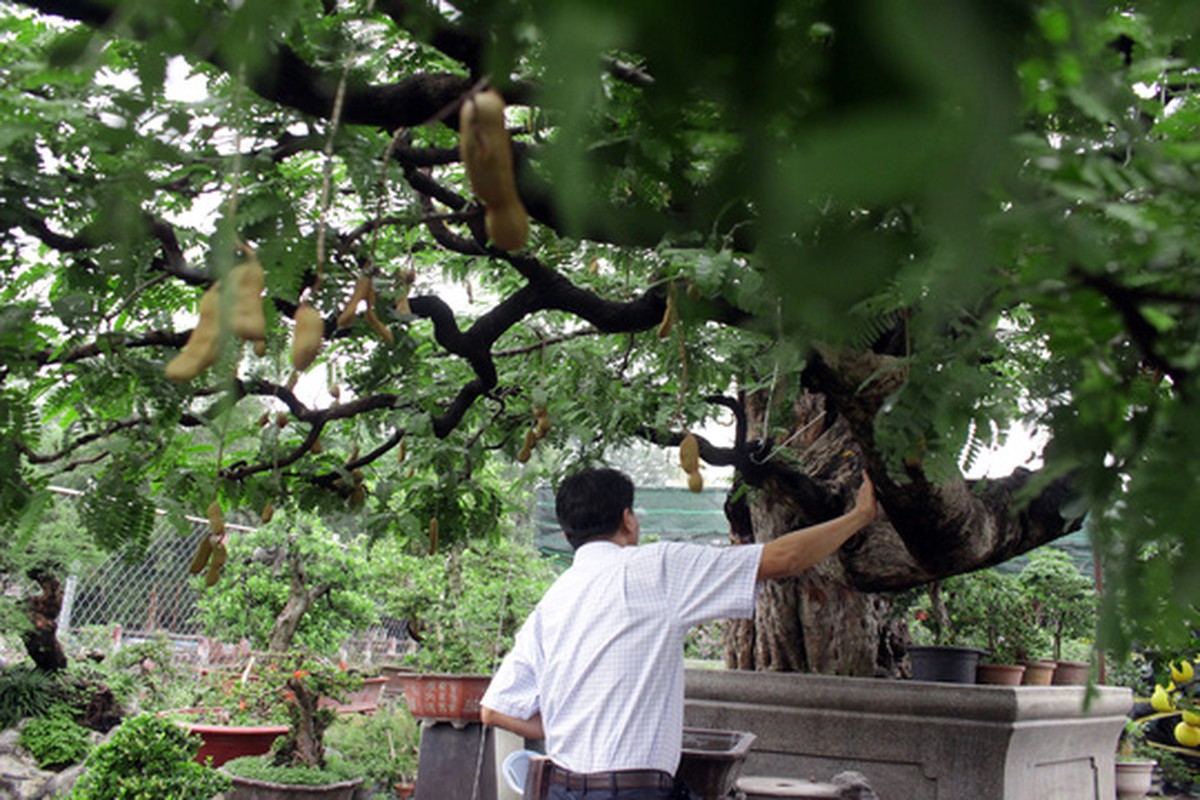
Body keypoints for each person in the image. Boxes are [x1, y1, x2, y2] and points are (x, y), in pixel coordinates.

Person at [481, 467, 878, 799]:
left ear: (567, 536)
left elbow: (494, 709)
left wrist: (572, 723)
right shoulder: (657, 568)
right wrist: (859, 515)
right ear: (628, 519)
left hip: (561, 788)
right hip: (632, 792)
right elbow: (782, 558)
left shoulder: (552, 602)